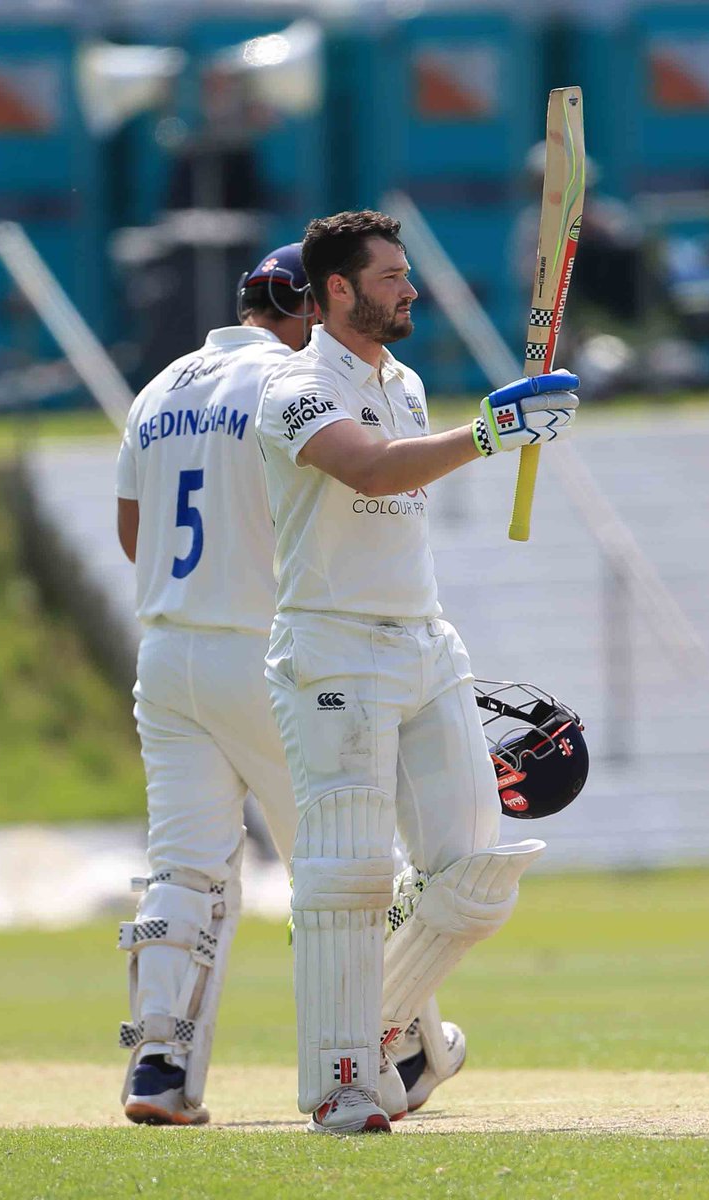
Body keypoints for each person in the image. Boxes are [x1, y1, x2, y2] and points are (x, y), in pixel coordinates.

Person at [114, 243, 464, 1128]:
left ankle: (160, 1067)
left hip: (166, 655)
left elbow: (134, 533)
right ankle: (403, 1046)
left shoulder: (160, 389)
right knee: (345, 866)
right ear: (314, 305)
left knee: (185, 868)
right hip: (266, 648)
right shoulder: (291, 385)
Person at [256, 210, 579, 1135]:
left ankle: (388, 1026)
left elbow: (407, 464)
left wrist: (506, 430)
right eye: (391, 276)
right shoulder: (296, 387)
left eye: (407, 273)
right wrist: (492, 433)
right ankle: (341, 1082)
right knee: (352, 873)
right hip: (331, 647)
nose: (410, 288)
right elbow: (371, 472)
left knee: (477, 874)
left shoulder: (404, 381)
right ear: (339, 292)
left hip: (425, 642)